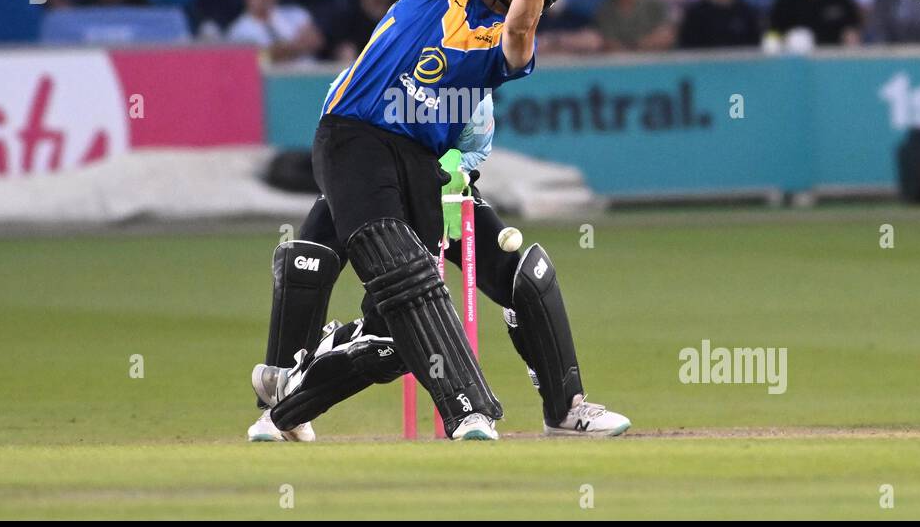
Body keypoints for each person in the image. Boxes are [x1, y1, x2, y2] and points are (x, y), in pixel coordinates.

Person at [249, 0, 574, 441]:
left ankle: (286, 405)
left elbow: (518, 34)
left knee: (391, 337)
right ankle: (468, 409)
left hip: (421, 162)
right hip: (355, 133)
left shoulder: (507, 45)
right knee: (363, 262)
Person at [246, 93, 631, 441]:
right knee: (313, 271)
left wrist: (454, 168)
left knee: (528, 279)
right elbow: (336, 130)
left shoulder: (474, 81)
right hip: (363, 186)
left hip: (441, 192)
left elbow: (476, 147)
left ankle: (566, 409)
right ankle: (281, 405)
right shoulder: (383, 66)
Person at [224, 0, 324, 64]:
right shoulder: (238, 30)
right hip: (273, 78)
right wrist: (295, 46)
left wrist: (277, 51)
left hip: (309, 74)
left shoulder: (296, 13)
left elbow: (316, 41)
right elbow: (259, 58)